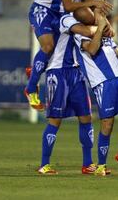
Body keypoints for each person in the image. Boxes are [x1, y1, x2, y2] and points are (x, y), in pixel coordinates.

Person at [25, 0, 113, 110]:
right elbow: (69, 5)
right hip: (44, 9)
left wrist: (103, 22)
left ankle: (35, 69)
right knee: (48, 47)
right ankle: (30, 88)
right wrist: (94, 4)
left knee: (90, 19)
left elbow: (91, 2)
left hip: (62, 13)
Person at [74, 10, 118, 177]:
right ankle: (101, 165)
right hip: (104, 84)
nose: (104, 19)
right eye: (100, 16)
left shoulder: (108, 38)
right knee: (107, 125)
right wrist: (101, 26)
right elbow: (93, 50)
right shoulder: (81, 36)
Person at [37, 14, 97, 175]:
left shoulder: (76, 21)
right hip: (57, 73)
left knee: (86, 117)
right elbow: (87, 31)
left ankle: (88, 163)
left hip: (76, 73)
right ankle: (44, 164)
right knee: (55, 120)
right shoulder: (64, 18)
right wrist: (102, 25)